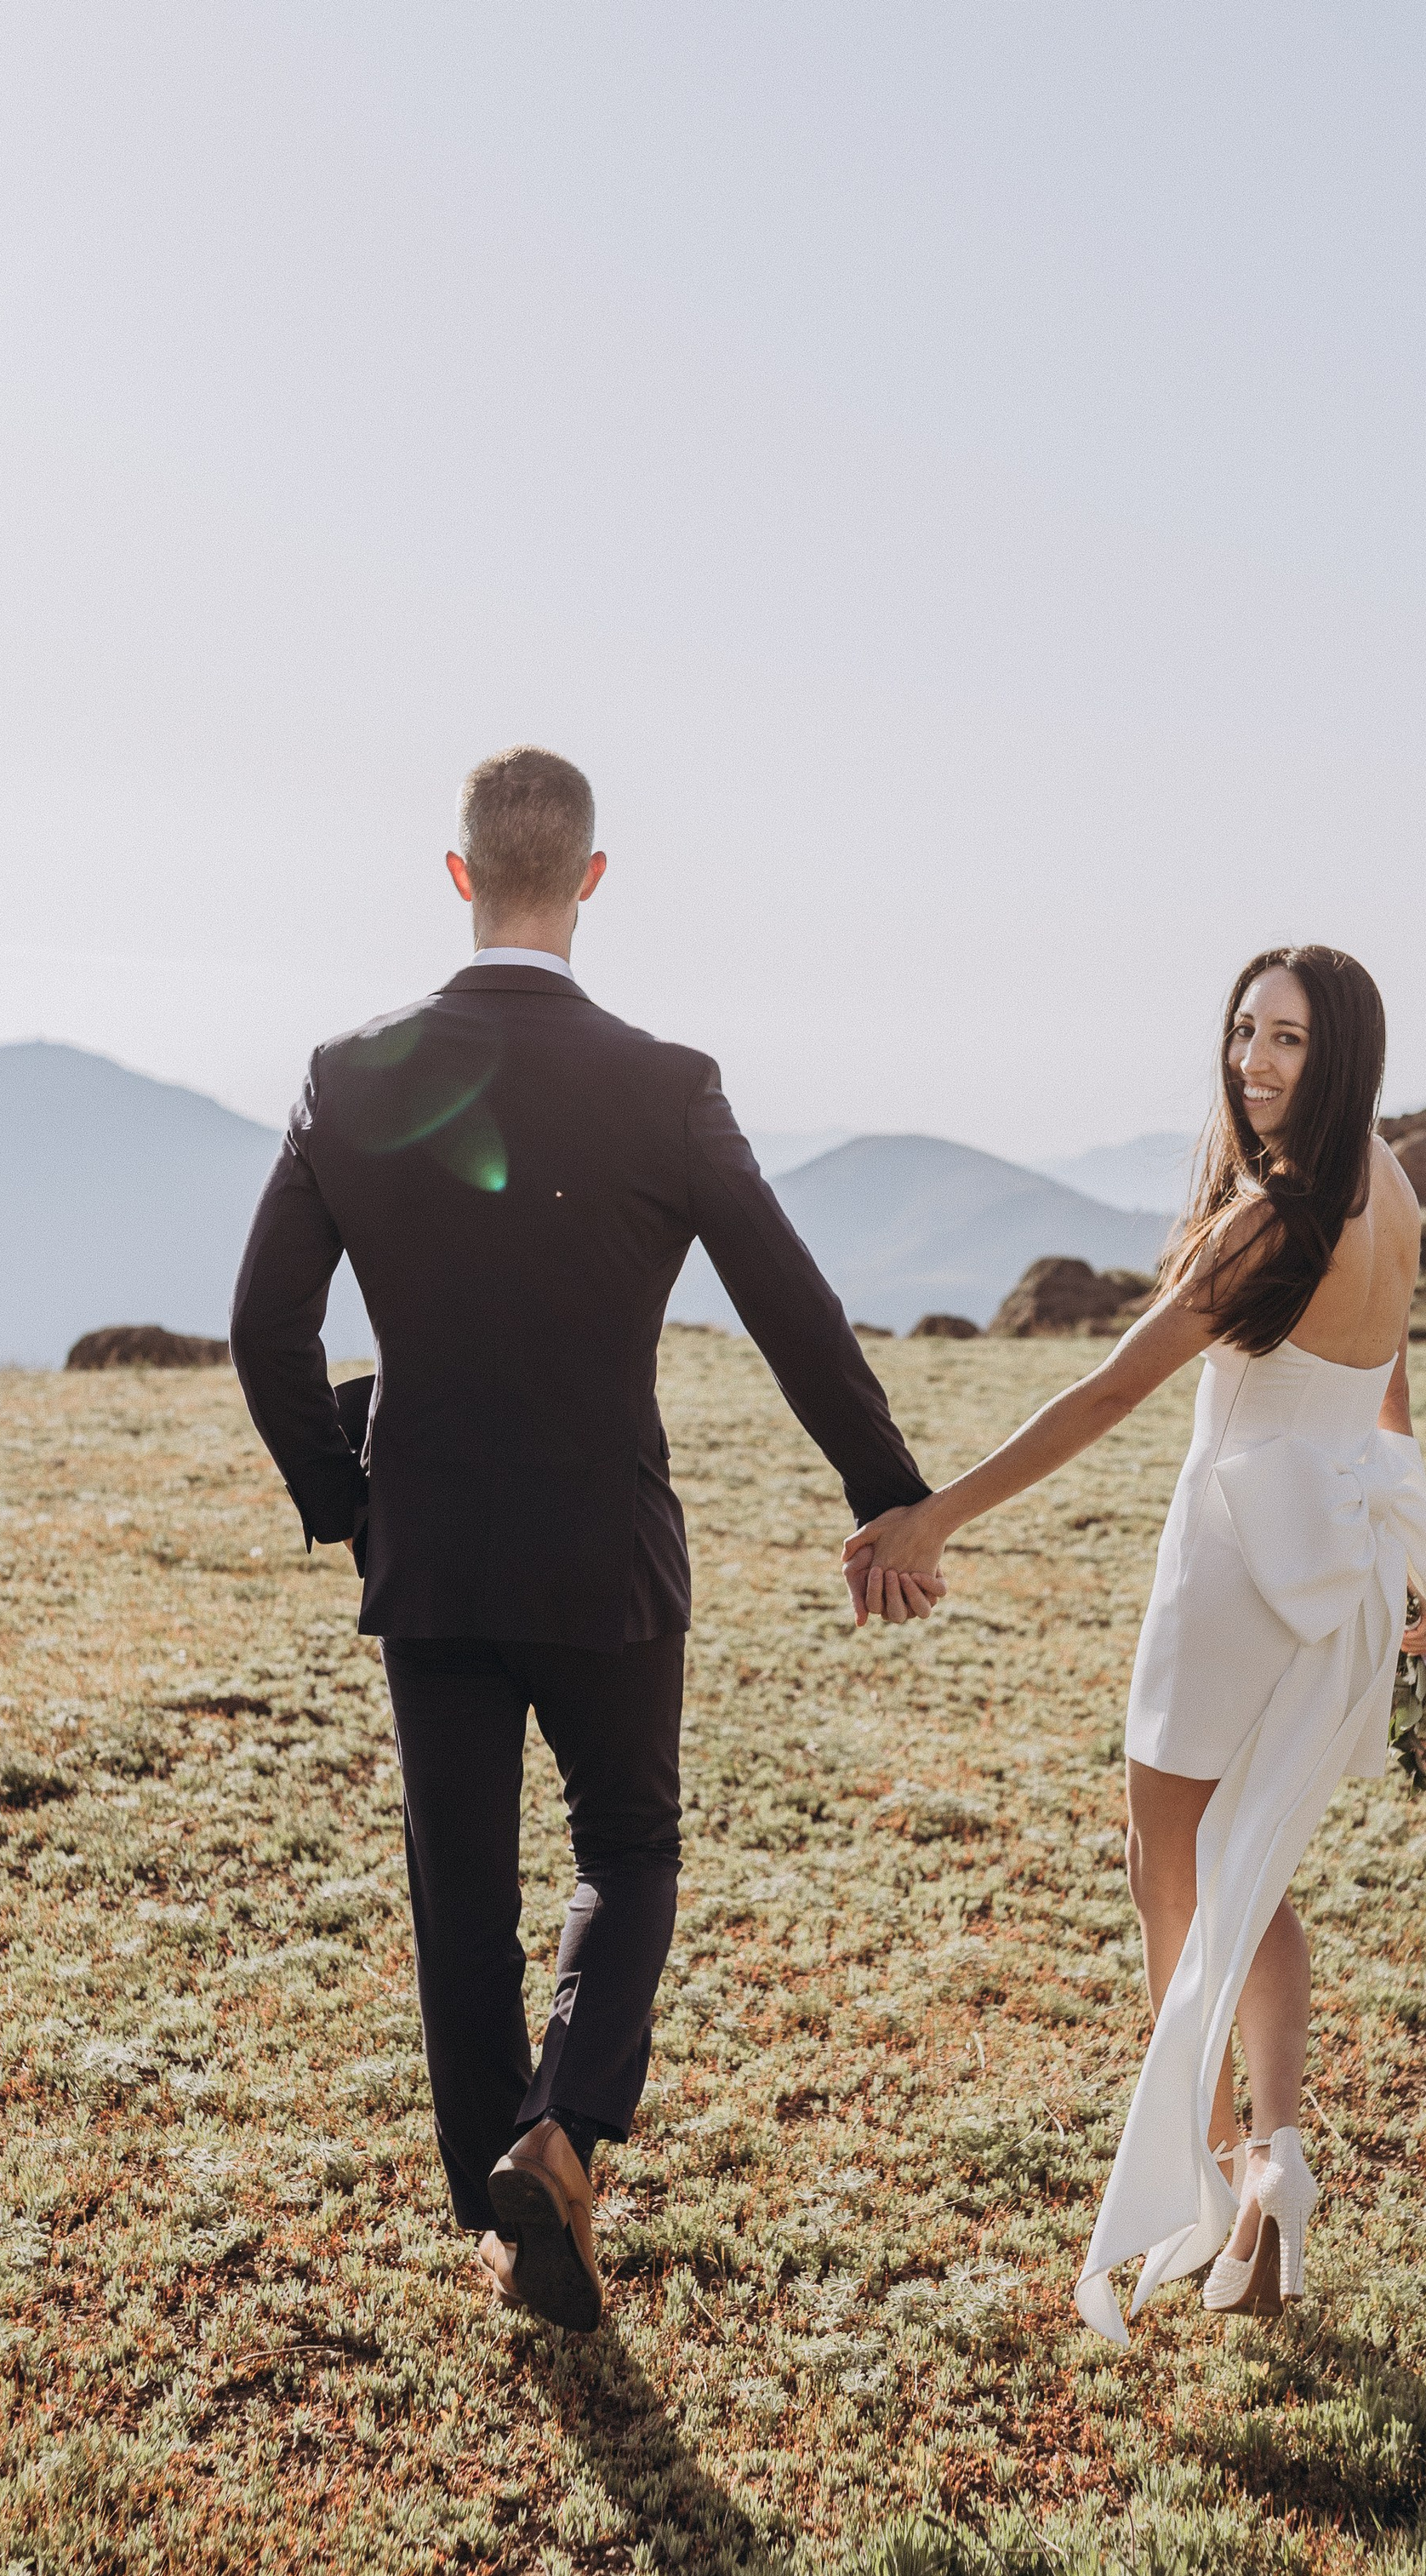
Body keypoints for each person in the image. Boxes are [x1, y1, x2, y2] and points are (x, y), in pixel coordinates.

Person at [231, 746, 937, 2337]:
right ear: (594, 881)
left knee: (462, 1896)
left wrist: (344, 1499)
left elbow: (265, 1323)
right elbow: (793, 1311)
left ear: (459, 873)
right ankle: (561, 2144)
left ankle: (506, 2203)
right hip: (608, 1553)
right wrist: (884, 1489)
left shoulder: (349, 1075)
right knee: (629, 1848)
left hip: (430, 1558)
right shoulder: (667, 1083)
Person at [846, 945, 1426, 2336]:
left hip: (1237, 1564)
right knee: (1254, 1865)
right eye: (1245, 1032)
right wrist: (1414, 1576)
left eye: (1289, 1039)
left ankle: (1219, 2160)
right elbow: (1391, 1387)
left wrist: (937, 1517)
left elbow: (1108, 1391)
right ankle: (1274, 2164)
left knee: (1162, 1857)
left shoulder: (1272, 1216)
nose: (1255, 1062)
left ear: (1340, 1047)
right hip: (1343, 1564)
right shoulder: (1395, 1181)